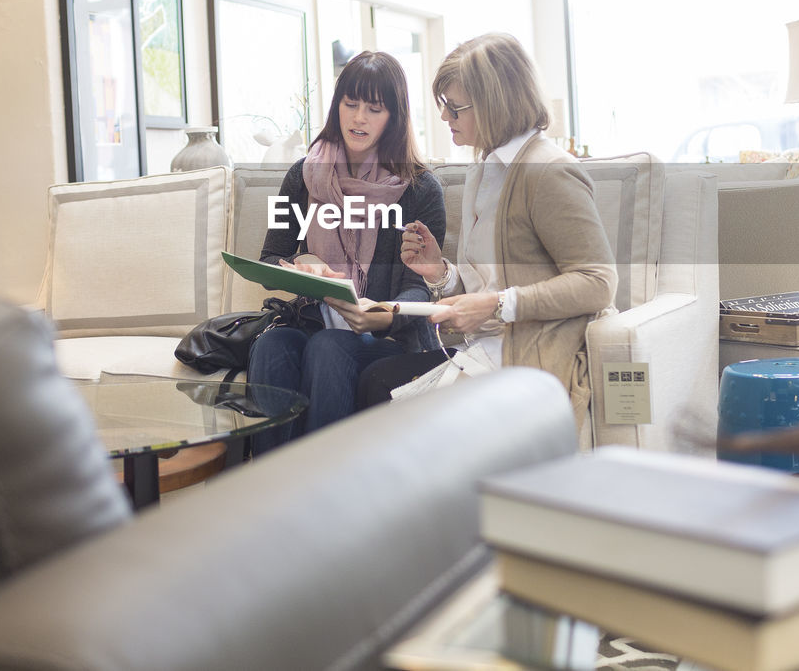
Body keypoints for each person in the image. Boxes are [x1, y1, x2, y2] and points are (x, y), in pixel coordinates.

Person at [356, 33, 617, 430]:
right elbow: (489, 286)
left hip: (533, 354)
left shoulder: (548, 171)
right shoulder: (485, 171)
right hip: (490, 345)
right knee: (375, 379)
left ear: (495, 104)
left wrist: (496, 304)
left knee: (382, 395)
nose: (445, 118)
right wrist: (439, 274)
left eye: (454, 108)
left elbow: (598, 282)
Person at [247, 51, 445, 452]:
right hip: (315, 320)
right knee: (271, 345)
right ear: (337, 105)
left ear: (395, 116)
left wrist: (380, 314)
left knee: (330, 347)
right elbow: (271, 258)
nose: (358, 118)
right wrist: (305, 266)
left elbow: (419, 288)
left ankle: (326, 492)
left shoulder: (421, 190)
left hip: (387, 338)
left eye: (374, 109)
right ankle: (267, 489)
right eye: (350, 104)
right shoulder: (302, 176)